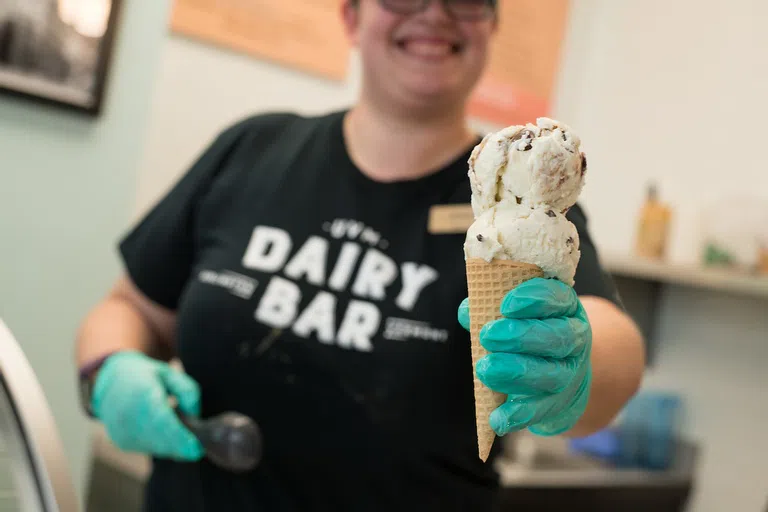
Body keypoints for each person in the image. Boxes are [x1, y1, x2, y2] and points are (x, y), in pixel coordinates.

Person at [75, 0, 645, 510]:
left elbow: (612, 339)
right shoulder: (253, 149)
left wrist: (578, 363)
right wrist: (110, 369)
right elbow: (130, 306)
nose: (436, 13)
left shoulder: (516, 200)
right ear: (351, 16)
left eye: (466, 0)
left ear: (492, 24)